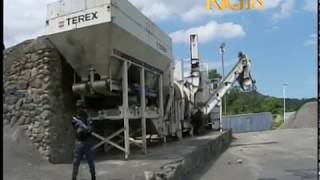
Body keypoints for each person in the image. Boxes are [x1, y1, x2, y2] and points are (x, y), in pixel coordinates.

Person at [71, 100, 96, 180]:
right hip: (79, 141)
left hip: (87, 141)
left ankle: (93, 176)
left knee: (90, 161)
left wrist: (84, 129)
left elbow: (91, 128)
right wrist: (79, 128)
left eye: (80, 107)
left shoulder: (88, 117)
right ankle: (73, 177)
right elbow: (74, 125)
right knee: (76, 161)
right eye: (78, 107)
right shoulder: (76, 118)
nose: (78, 109)